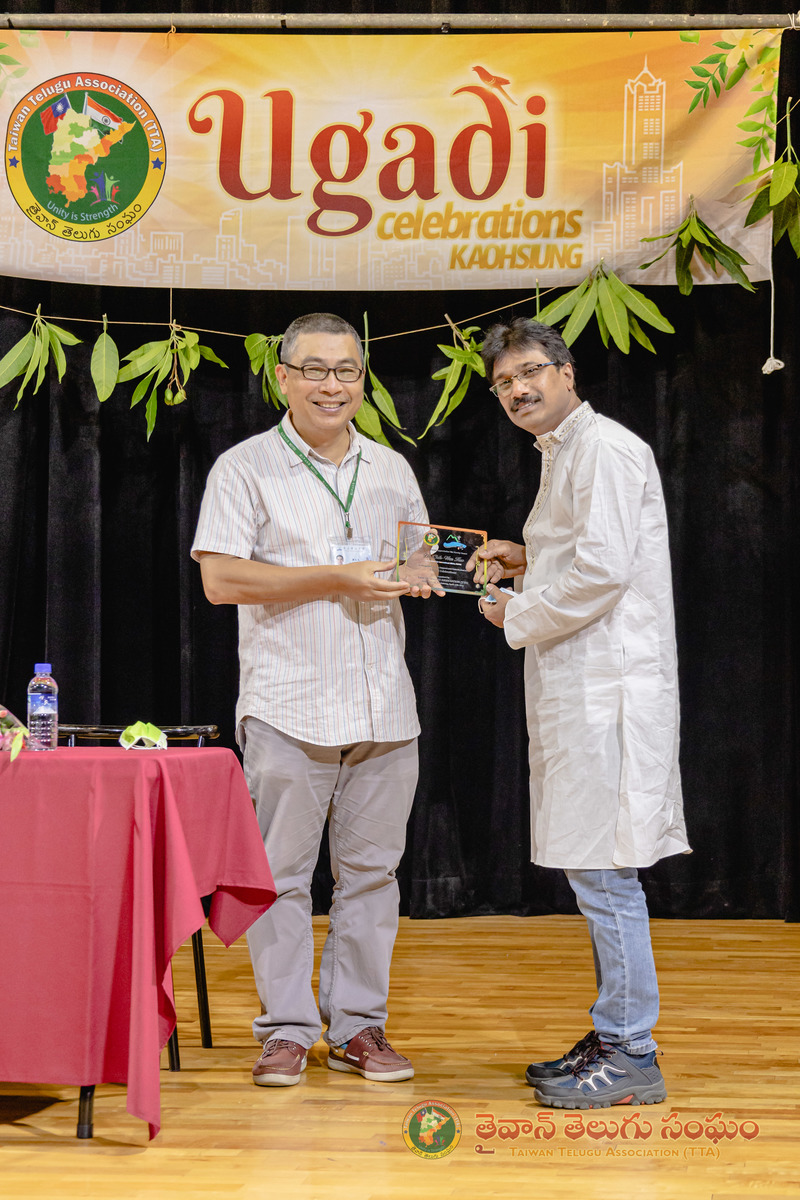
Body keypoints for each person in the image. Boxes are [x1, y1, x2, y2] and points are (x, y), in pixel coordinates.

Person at [192, 312, 440, 1087]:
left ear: (362, 381)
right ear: (284, 378)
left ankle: (360, 1027)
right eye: (316, 370)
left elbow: (419, 551)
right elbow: (221, 580)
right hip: (290, 706)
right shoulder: (244, 468)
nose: (333, 386)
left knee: (373, 877)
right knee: (282, 878)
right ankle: (287, 1030)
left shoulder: (391, 467)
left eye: (347, 372)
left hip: (384, 711)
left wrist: (436, 565)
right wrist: (339, 576)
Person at [470, 317, 690, 1108]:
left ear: (566, 371)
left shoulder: (605, 448)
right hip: (582, 687)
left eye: (529, 372)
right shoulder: (567, 454)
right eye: (503, 384)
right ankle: (613, 1029)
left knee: (604, 875)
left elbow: (601, 574)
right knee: (594, 869)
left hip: (608, 693)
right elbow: (589, 553)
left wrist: (514, 613)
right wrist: (526, 557)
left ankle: (633, 1050)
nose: (518, 390)